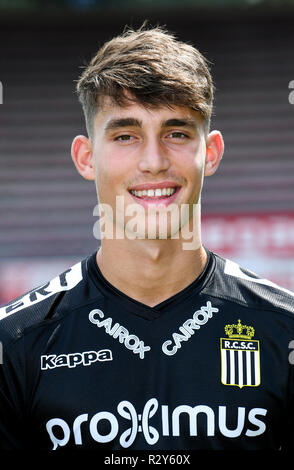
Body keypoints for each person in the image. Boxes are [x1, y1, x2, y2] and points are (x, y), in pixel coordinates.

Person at [0, 23, 294, 452]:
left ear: (210, 154)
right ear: (86, 157)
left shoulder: (283, 330)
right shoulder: (15, 343)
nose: (154, 162)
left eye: (176, 133)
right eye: (125, 136)